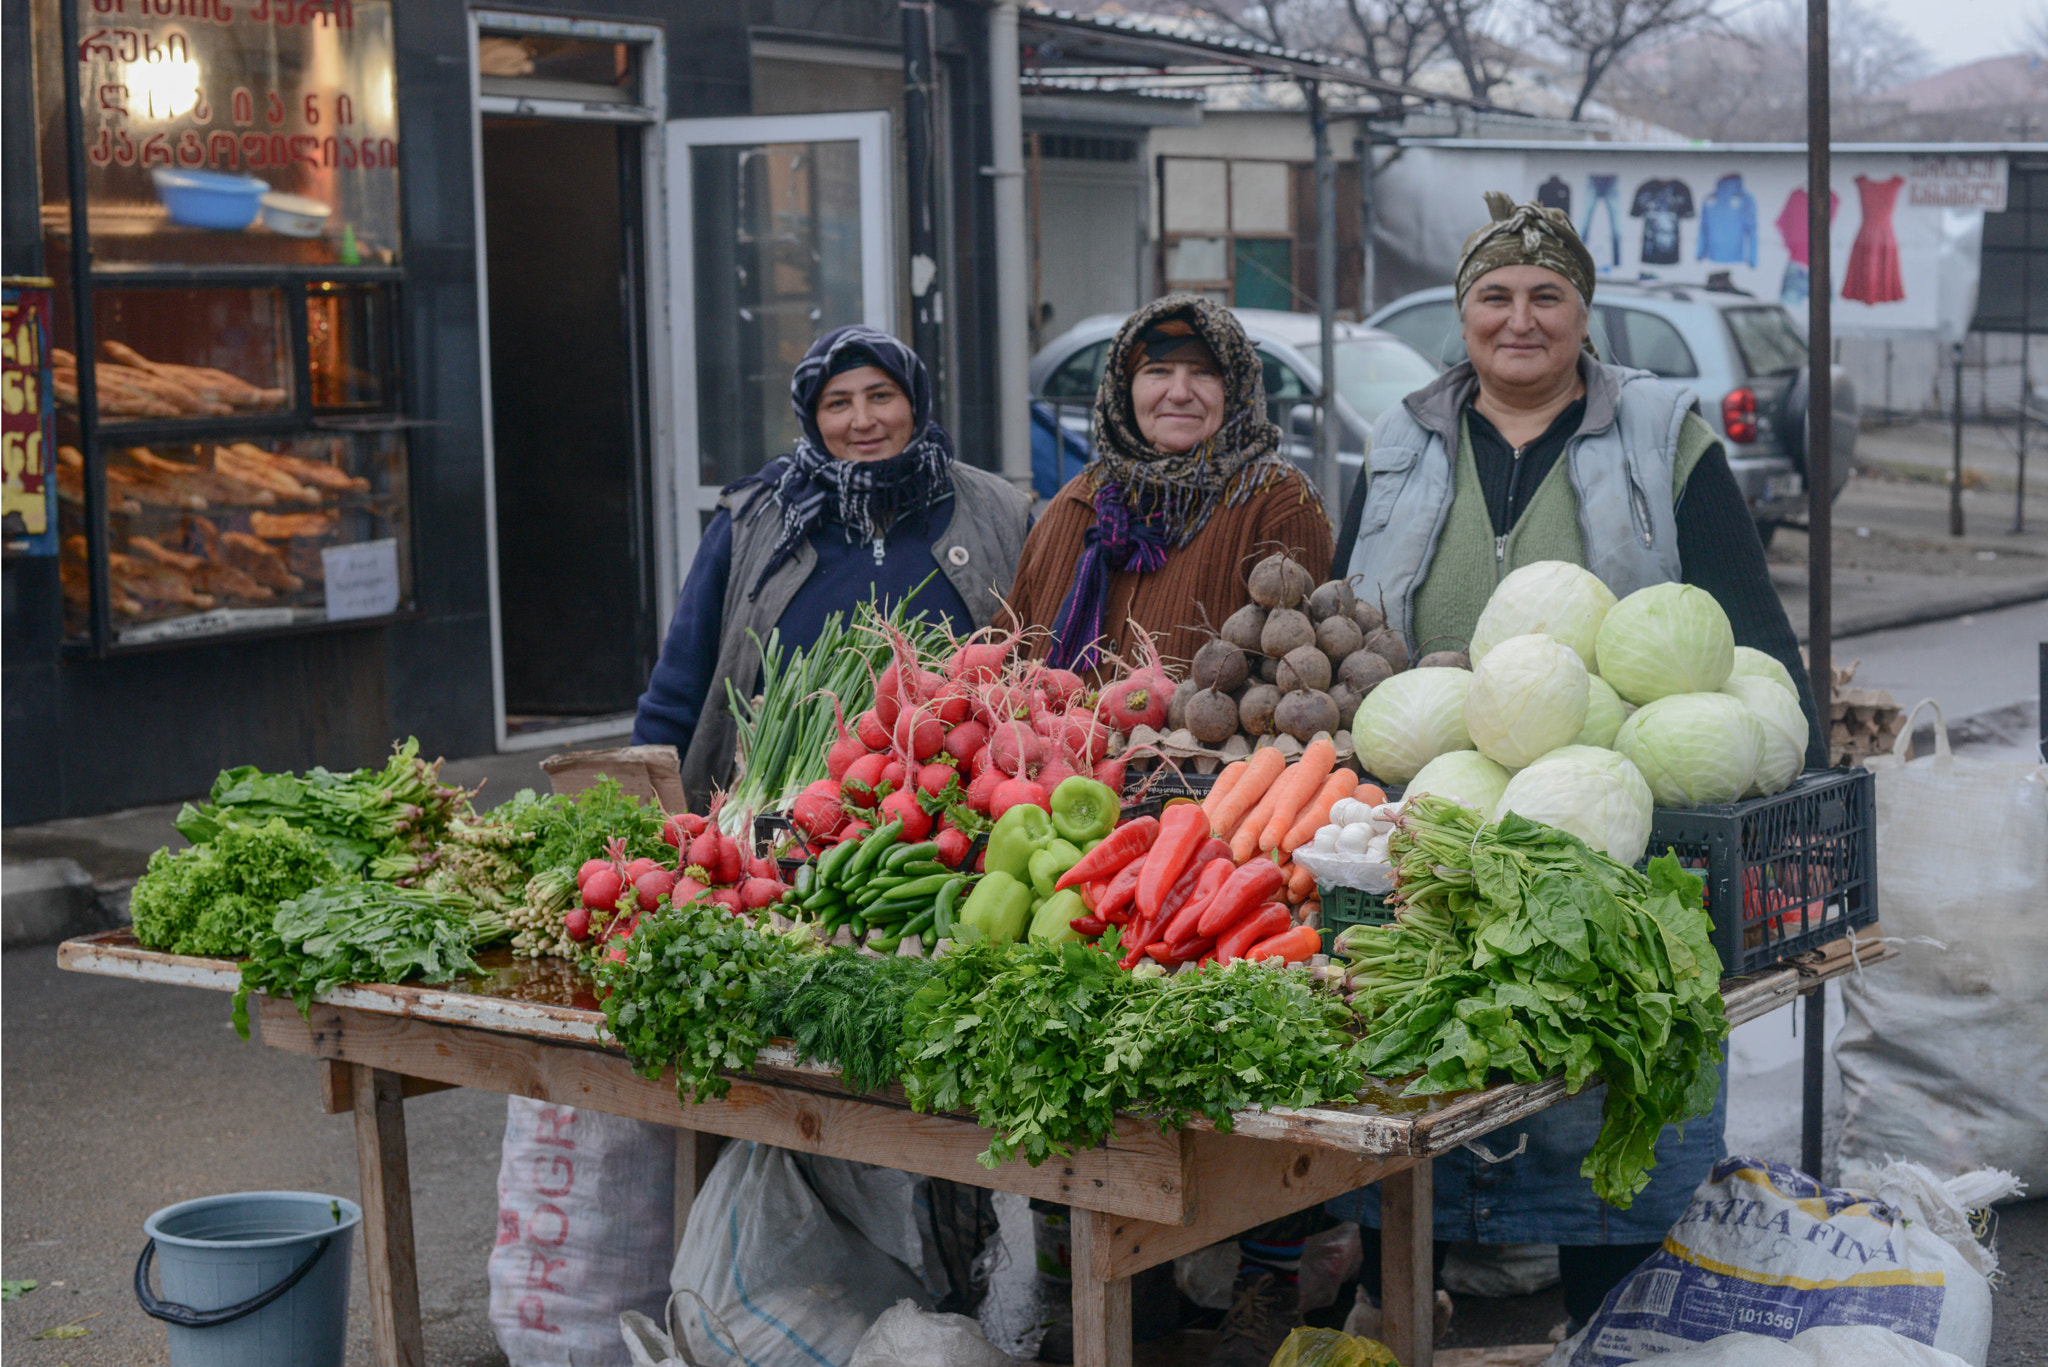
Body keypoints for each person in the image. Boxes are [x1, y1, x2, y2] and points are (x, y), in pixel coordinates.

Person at [1329, 192, 1825, 1341]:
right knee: (1421, 1050)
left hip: (1615, 805)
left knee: (1604, 1067)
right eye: (1492, 296)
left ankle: (1607, 1308)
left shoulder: (1664, 438)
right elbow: (1346, 616)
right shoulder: (1401, 438)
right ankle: (1405, 1287)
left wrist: (1774, 730)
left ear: (1582, 314)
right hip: (1433, 803)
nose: (1518, 318)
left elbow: (1747, 625)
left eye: (1545, 295)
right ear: (1460, 315)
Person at [632, 324, 1033, 806]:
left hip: (956, 807)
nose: (863, 421)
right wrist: (641, 810)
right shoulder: (755, 519)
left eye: (881, 395)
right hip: (774, 815)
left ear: (914, 401)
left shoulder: (997, 512)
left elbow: (1048, 663)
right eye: (837, 403)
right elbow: (680, 685)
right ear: (812, 417)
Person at [1006, 296, 1333, 675]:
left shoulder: (1275, 502)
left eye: (1204, 372)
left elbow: (1300, 681)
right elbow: (1007, 648)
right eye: (1157, 370)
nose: (1179, 392)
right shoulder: (1079, 500)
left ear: (1236, 387)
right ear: (1123, 390)